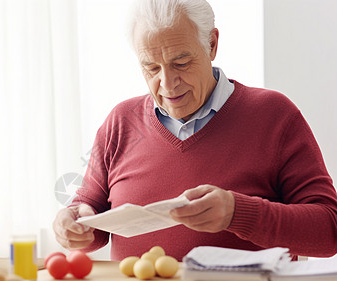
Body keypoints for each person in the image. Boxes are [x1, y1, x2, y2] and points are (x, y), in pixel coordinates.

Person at [53, 0, 337, 261]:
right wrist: (74, 223)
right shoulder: (121, 121)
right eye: (151, 68)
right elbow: (90, 214)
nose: (167, 83)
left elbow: (329, 231)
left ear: (212, 44)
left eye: (181, 63)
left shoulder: (274, 115)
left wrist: (238, 213)